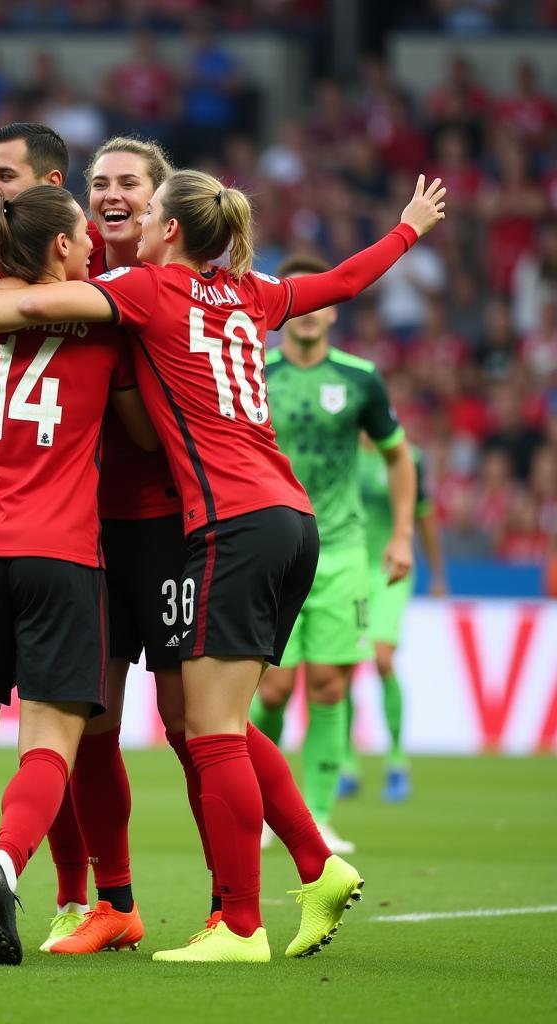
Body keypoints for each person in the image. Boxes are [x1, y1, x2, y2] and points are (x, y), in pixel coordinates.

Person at [0, 170, 446, 963]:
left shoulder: (148, 291)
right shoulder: (248, 293)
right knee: (211, 722)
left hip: (226, 524)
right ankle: (312, 869)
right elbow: (346, 281)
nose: (135, 216)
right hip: (290, 517)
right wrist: (409, 228)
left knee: (210, 730)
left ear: (171, 231)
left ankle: (240, 927)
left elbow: (45, 304)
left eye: (146, 206)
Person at [0, 185, 156, 964]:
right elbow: (141, 432)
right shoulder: (104, 329)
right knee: (51, 739)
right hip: (63, 555)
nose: (90, 246)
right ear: (60, 249)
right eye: (81, 236)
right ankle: (6, 865)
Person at [45, 136, 221, 957]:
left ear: (157, 205)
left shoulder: (170, 291)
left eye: (128, 185)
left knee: (194, 724)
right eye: (99, 183)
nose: (111, 195)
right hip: (80, 532)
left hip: (167, 530)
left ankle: (232, 902)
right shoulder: (62, 281)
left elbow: (163, 430)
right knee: (89, 719)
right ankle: (102, 902)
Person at [252, 252, 418, 855]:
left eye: (322, 301)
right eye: (300, 299)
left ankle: (317, 814)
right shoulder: (255, 371)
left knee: (326, 685)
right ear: (284, 308)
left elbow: (399, 457)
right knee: (271, 690)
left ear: (332, 312)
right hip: (272, 545)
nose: (311, 312)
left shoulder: (359, 379)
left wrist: (400, 536)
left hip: (343, 550)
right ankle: (264, 803)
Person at [339, 440, 447, 802]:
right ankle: (348, 763)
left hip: (389, 570)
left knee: (382, 659)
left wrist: (437, 572)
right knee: (344, 666)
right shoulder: (343, 450)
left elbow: (424, 515)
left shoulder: (407, 456)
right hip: (349, 569)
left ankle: (398, 760)